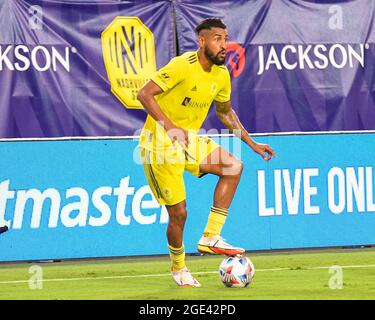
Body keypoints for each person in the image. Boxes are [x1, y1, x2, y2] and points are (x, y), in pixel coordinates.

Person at [137, 18, 276, 287]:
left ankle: (210, 237)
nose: (224, 45)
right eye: (217, 39)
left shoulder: (221, 75)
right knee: (179, 214)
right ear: (202, 41)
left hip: (189, 141)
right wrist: (170, 127)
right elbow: (144, 94)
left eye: (225, 38)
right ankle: (179, 269)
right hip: (160, 146)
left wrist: (253, 144)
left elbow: (225, 113)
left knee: (233, 167)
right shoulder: (182, 66)